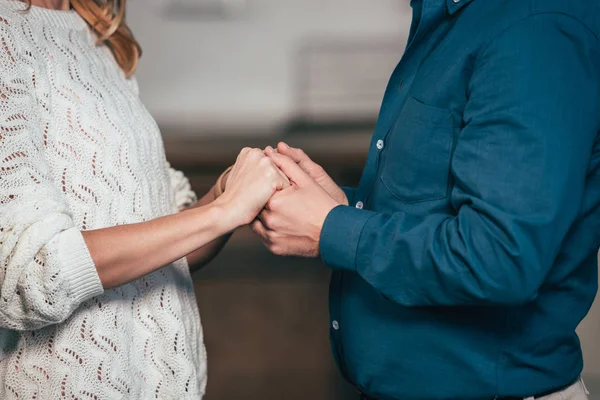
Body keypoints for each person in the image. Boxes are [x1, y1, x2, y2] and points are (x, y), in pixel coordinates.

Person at [251, 0, 600, 399]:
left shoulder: (535, 28)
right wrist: (339, 209)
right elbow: (442, 207)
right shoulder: (457, 18)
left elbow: (500, 256)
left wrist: (333, 229)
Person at [0, 0, 289, 398]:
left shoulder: (97, 35)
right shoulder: (6, 34)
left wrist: (226, 192)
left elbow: (167, 246)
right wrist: (223, 211)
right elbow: (31, 276)